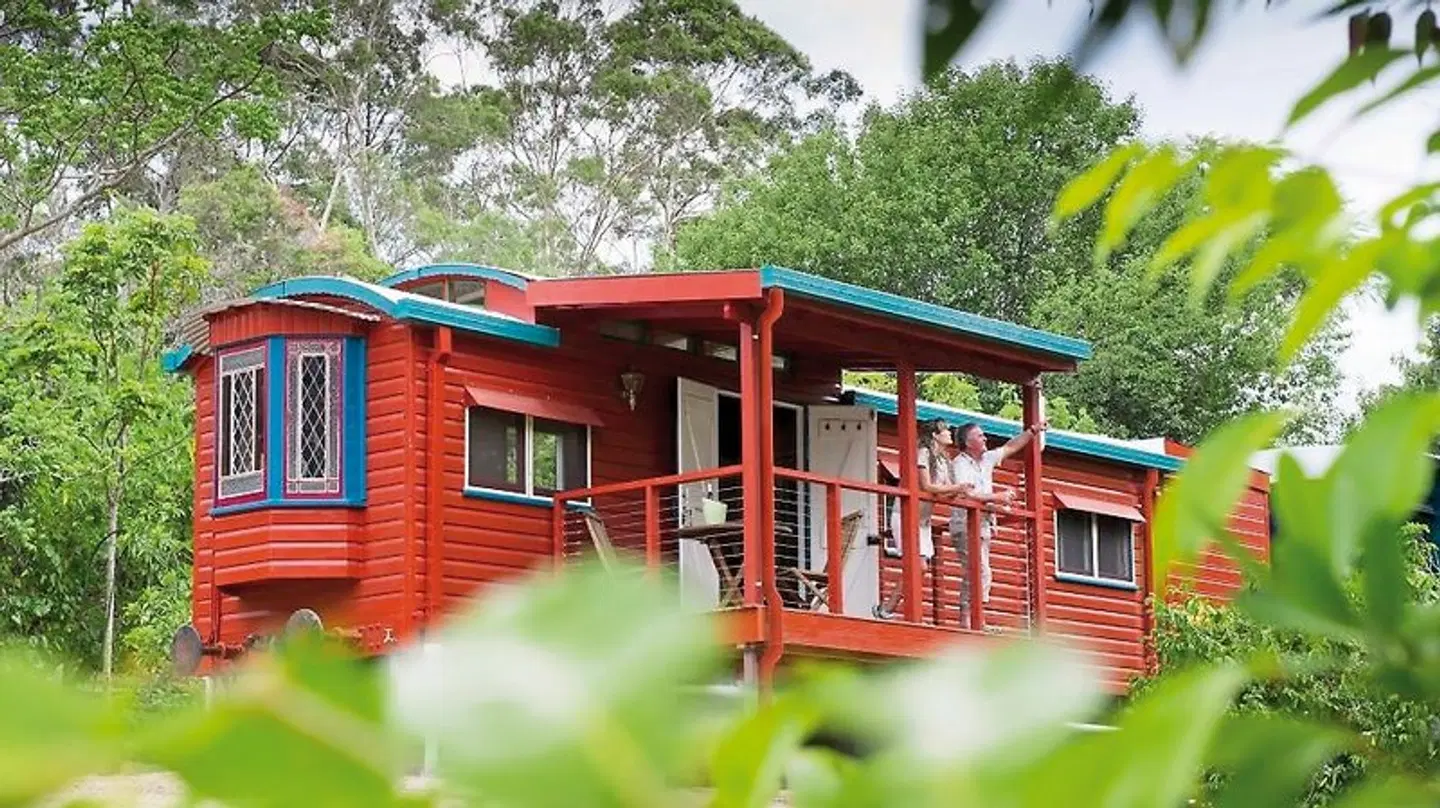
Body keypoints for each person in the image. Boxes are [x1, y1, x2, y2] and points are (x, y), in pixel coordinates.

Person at [950, 420, 1046, 627]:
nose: (985, 438)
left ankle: (972, 619)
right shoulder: (959, 464)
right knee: (979, 571)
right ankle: (971, 621)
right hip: (965, 524)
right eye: (979, 435)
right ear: (967, 442)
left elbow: (1011, 446)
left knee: (978, 571)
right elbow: (968, 494)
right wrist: (998, 498)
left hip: (982, 524)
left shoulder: (987, 459)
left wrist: (1032, 432)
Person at [873, 418, 971, 620]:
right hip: (906, 516)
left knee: (921, 569)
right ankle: (898, 611)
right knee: (919, 566)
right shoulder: (924, 453)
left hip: (923, 522)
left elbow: (945, 491)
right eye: (945, 430)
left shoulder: (944, 460)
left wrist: (963, 492)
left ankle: (887, 609)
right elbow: (927, 487)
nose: (949, 433)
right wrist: (957, 488)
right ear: (935, 435)